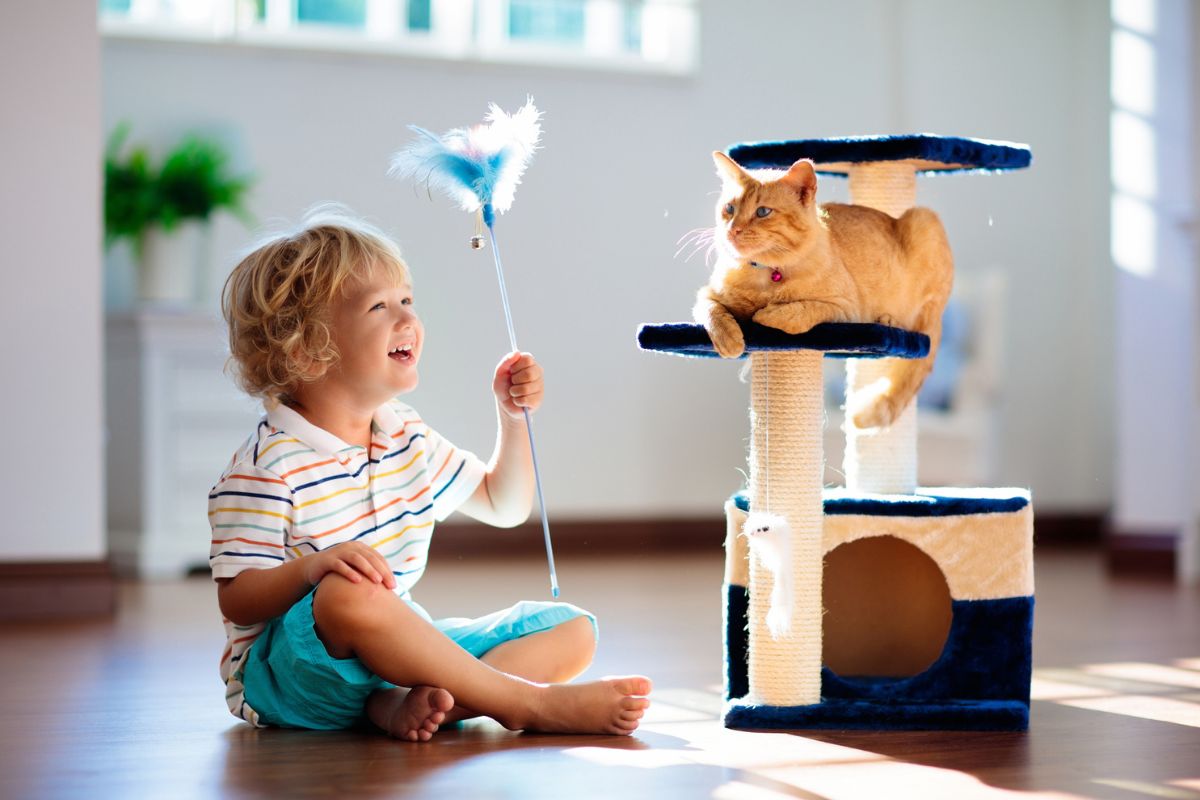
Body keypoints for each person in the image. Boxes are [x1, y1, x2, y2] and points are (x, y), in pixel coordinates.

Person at [209, 207, 650, 741]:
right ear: (306, 349)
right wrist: (313, 570)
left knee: (572, 631)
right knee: (344, 594)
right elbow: (237, 597)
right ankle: (522, 704)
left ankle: (396, 705)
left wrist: (511, 420)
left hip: (388, 647)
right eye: (379, 306)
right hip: (288, 676)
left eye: (407, 300)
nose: (407, 319)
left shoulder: (404, 434)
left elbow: (503, 505)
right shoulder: (266, 466)